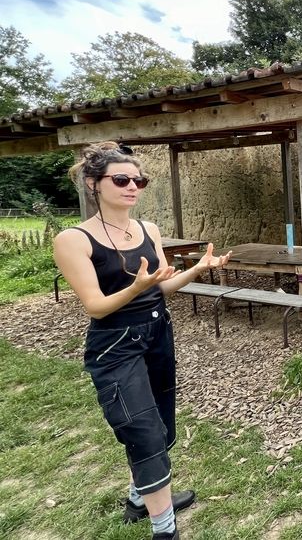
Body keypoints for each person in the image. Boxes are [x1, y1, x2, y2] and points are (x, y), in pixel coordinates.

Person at [53, 142, 232, 540]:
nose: (132, 186)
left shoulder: (148, 229)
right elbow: (96, 307)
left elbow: (161, 288)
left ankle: (139, 497)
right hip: (115, 344)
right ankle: (164, 530)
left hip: (157, 334)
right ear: (92, 183)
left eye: (139, 180)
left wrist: (199, 269)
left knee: (160, 423)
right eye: (121, 179)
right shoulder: (74, 239)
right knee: (143, 430)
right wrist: (135, 288)